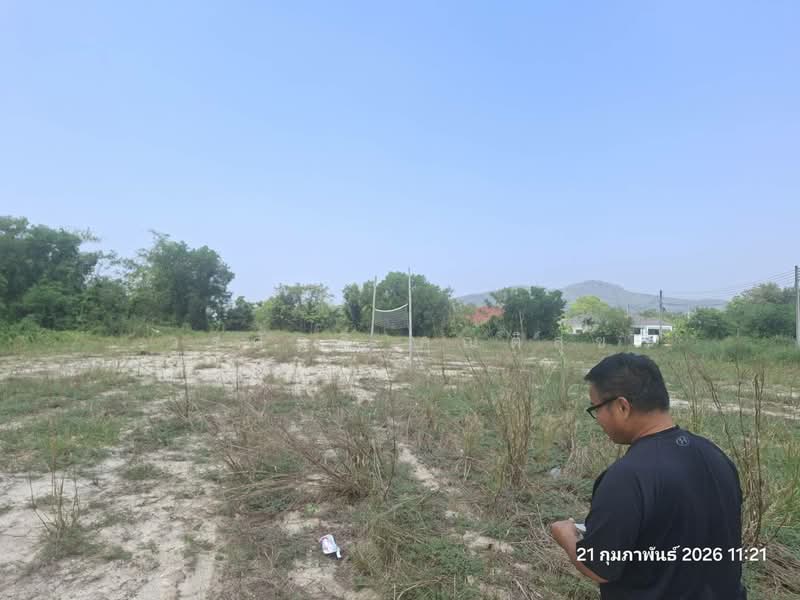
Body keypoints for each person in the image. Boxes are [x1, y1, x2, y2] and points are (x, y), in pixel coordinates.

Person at [550, 352, 747, 599]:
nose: (597, 419)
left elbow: (599, 567)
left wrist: (566, 535)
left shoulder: (627, 477)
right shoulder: (715, 456)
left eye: (595, 408)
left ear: (622, 407)